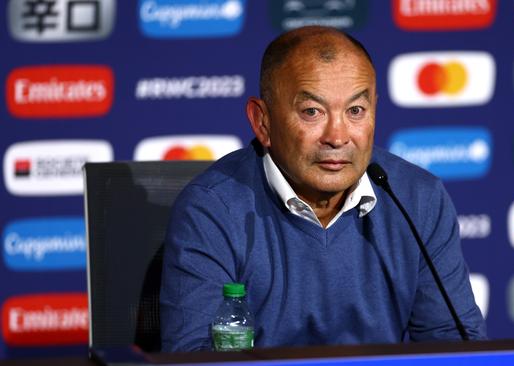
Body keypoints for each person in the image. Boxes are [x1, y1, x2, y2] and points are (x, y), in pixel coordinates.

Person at [160, 26, 487, 352]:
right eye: (312, 112)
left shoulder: (417, 199)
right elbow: (194, 357)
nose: (338, 136)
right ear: (263, 122)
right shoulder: (213, 210)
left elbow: (453, 341)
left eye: (355, 111)